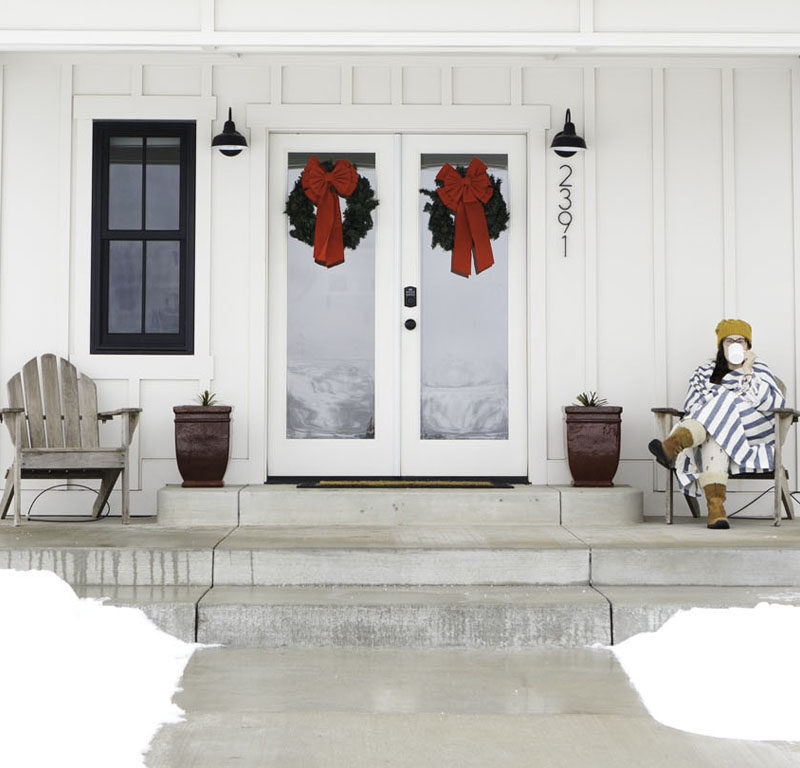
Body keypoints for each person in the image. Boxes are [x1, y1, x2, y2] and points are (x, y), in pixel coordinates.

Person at [648, 319, 785, 529]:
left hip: (751, 430)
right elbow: (692, 406)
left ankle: (674, 444)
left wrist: (746, 371)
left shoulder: (758, 369)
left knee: (724, 400)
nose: (735, 344)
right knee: (716, 434)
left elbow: (773, 403)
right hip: (713, 431)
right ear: (721, 346)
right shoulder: (704, 372)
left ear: (748, 346)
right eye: (729, 340)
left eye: (741, 340)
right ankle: (716, 509)